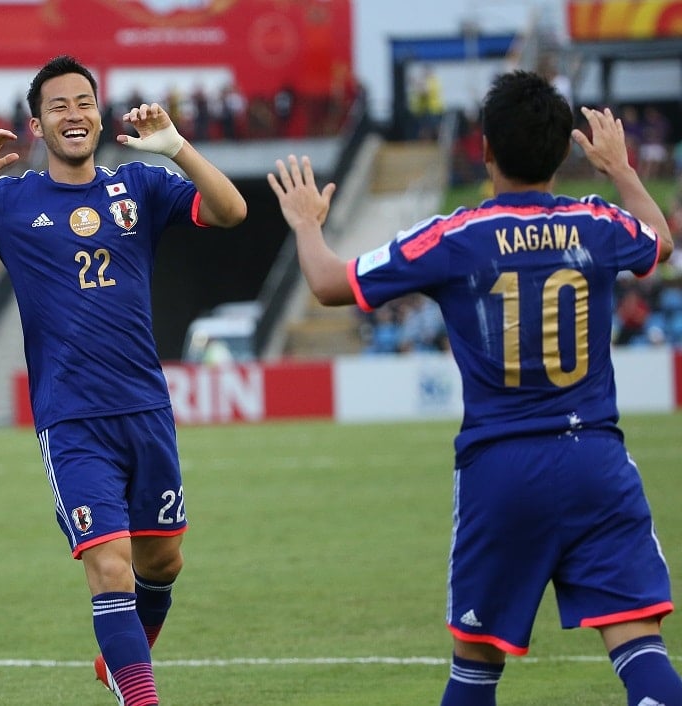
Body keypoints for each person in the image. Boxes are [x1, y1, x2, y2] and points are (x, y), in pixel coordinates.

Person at [268, 69, 681, 706]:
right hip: (596, 460)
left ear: (484, 149)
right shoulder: (598, 223)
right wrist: (621, 169)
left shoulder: (455, 238)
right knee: (638, 645)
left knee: (476, 668)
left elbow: (328, 283)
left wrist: (305, 223)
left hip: (502, 470)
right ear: (562, 152)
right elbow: (662, 243)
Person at [0, 54, 246, 706]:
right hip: (71, 418)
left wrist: (177, 147)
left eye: (83, 102)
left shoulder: (140, 185)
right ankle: (139, 696)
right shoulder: (9, 200)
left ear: (100, 116)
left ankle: (118, 664)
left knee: (162, 561)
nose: (74, 114)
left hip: (145, 407)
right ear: (37, 126)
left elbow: (231, 211)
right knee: (110, 566)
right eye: (58, 106)